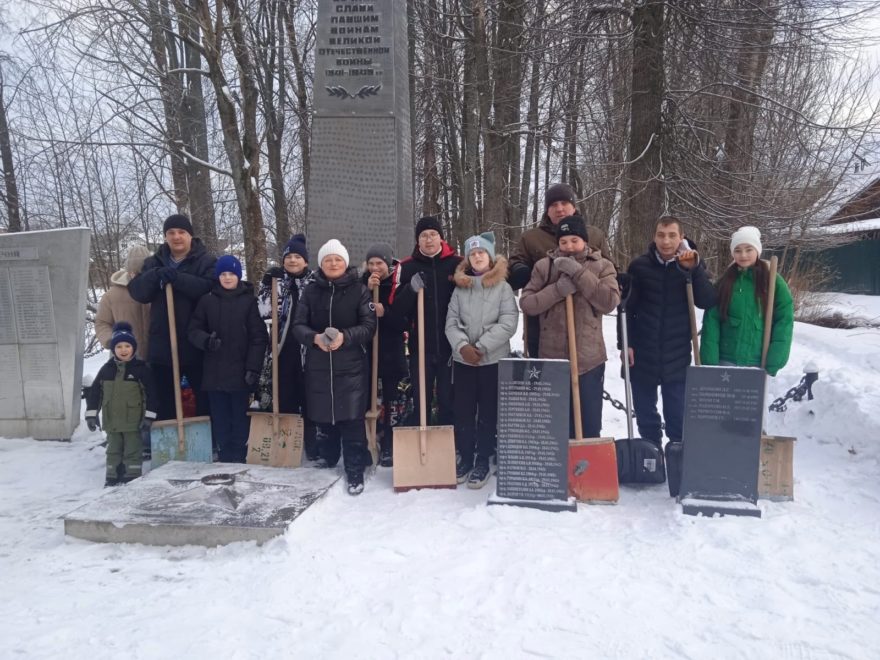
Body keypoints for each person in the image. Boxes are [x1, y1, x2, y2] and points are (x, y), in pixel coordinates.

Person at [621, 216, 717, 452]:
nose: (666, 241)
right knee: (645, 410)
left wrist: (692, 271)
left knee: (676, 411)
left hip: (677, 353)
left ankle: (677, 453)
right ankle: (650, 451)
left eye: (672, 235)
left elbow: (707, 300)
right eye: (661, 235)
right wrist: (625, 344)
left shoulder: (692, 265)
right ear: (654, 237)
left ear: (681, 237)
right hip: (643, 352)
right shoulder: (639, 266)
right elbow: (626, 308)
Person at [520, 215, 620, 438]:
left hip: (589, 359)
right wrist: (557, 290)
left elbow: (609, 301)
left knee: (589, 425)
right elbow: (527, 303)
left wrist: (578, 273)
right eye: (563, 242)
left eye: (574, 240)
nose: (569, 246)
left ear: (584, 240)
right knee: (556, 425)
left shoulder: (602, 265)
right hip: (553, 359)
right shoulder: (544, 266)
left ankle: (585, 469)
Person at [293, 239, 376, 495]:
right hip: (319, 364)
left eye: (337, 259)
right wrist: (314, 339)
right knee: (323, 417)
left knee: (351, 419)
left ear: (345, 262)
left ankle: (354, 470)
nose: (333, 263)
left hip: (349, 365)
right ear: (321, 263)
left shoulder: (358, 290)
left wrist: (345, 337)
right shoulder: (311, 291)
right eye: (328, 259)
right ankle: (327, 461)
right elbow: (298, 325)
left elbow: (369, 325)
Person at [445, 232, 518, 488]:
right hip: (464, 361)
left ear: (489, 256)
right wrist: (463, 347)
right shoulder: (460, 288)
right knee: (464, 410)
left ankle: (483, 458)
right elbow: (451, 322)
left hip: (492, 361)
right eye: (472, 254)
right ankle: (465, 456)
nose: (477, 257)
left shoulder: (503, 287)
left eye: (481, 253)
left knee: (488, 411)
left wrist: (482, 347)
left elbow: (508, 322)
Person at [508, 183, 612, 358]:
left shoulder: (594, 235)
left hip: (584, 325)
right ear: (547, 210)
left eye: (564, 203)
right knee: (545, 379)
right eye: (553, 205)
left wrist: (620, 279)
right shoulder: (531, 238)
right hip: (543, 324)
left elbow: (608, 267)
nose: (559, 209)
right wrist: (519, 269)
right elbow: (514, 264)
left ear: (574, 206)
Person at [128, 214, 216, 421]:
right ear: (165, 236)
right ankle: (168, 441)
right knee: (163, 397)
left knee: (204, 396)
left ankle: (209, 441)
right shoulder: (153, 262)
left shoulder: (206, 261)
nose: (176, 237)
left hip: (196, 342)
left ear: (190, 236)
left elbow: (208, 288)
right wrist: (156, 274)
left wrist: (177, 278)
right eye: (171, 233)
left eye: (181, 232)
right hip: (163, 343)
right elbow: (138, 292)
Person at [188, 255, 268, 463]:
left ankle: (240, 452)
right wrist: (206, 341)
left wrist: (253, 367)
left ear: (238, 276)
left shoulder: (249, 302)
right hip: (214, 373)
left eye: (231, 274)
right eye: (223, 274)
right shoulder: (207, 301)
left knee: (240, 416)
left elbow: (259, 337)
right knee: (220, 416)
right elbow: (193, 329)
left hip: (241, 372)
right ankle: (224, 452)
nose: (227, 278)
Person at [390, 216, 463, 429]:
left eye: (433, 235)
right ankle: (423, 435)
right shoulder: (406, 266)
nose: (428, 239)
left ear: (441, 238)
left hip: (451, 344)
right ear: (417, 240)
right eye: (423, 236)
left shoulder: (457, 264)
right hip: (420, 345)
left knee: (447, 398)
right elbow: (396, 310)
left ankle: (449, 440)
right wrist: (410, 290)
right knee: (421, 395)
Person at [700, 226, 794, 375]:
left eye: (749, 249)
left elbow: (784, 320)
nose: (743, 255)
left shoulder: (772, 281)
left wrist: (775, 359)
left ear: (757, 250)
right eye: (737, 250)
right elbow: (712, 320)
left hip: (757, 361)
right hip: (726, 361)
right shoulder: (725, 282)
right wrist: (710, 361)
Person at [257, 234, 318, 457]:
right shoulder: (276, 282)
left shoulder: (314, 282)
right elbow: (264, 312)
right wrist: (266, 285)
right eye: (288, 256)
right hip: (283, 348)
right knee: (285, 395)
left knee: (309, 397)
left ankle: (312, 444)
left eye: (297, 256)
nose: (292, 260)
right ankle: (288, 445)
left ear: (306, 261)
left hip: (308, 350)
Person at [85, 322, 158, 486]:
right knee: (113, 449)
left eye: (127, 346)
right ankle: (112, 475)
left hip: (133, 421)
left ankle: (131, 474)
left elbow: (151, 395)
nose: (123, 350)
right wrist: (91, 414)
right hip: (112, 421)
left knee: (133, 449)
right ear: (113, 349)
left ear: (133, 347)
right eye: (119, 346)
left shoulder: (140, 370)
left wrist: (149, 417)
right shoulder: (106, 370)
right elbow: (95, 393)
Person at [362, 242, 409, 468]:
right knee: (370, 397)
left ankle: (391, 443)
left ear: (388, 263)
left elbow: (403, 321)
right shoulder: (361, 284)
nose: (374, 268)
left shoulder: (398, 284)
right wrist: (369, 290)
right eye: (371, 263)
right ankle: (372, 437)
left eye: (379, 263)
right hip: (368, 350)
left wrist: (384, 312)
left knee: (392, 399)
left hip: (392, 349)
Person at [95, 244, 153, 360]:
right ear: (129, 270)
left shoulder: (158, 290)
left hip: (156, 355)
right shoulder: (111, 295)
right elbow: (102, 322)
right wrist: (112, 340)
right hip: (125, 358)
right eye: (134, 272)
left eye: (143, 272)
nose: (138, 276)